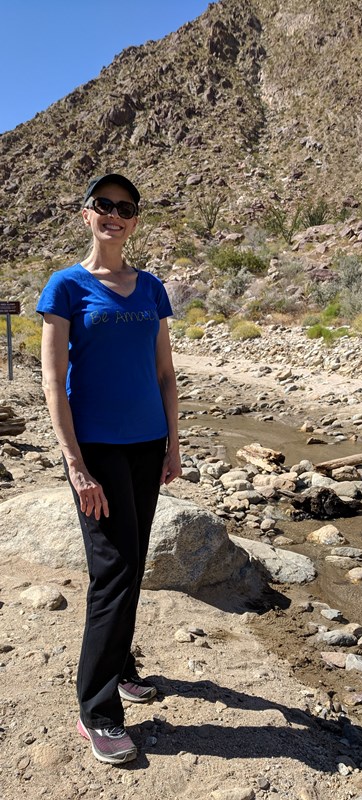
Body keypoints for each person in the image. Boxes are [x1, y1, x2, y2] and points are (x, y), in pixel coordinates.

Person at [36, 173, 181, 765]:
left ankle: (121, 667)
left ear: (136, 219)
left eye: (126, 208)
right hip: (96, 448)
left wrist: (173, 444)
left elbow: (166, 373)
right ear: (86, 213)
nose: (115, 215)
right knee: (115, 568)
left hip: (148, 442)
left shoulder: (150, 287)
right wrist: (75, 464)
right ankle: (96, 712)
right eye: (105, 206)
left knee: (133, 558)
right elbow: (51, 380)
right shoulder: (66, 286)